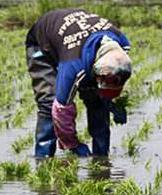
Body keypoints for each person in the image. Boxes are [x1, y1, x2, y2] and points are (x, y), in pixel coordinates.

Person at [25, 9, 132, 157]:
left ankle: (101, 156)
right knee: (49, 103)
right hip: (43, 44)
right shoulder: (73, 65)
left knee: (97, 100)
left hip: (79, 43)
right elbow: (61, 108)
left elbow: (114, 77)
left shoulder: (122, 45)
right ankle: (44, 160)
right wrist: (71, 143)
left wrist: (111, 103)